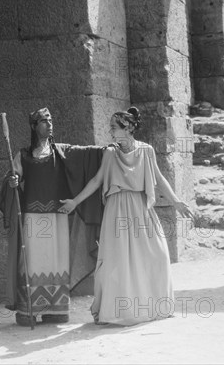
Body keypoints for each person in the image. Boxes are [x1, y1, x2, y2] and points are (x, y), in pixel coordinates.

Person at [59, 106, 195, 326]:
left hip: (141, 208)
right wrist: (75, 201)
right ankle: (118, 311)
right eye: (111, 127)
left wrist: (176, 201)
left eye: (114, 127)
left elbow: (159, 179)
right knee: (118, 260)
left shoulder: (147, 151)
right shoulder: (110, 153)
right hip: (117, 209)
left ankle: (155, 306)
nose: (110, 131)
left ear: (129, 128)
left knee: (157, 255)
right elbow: (96, 181)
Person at [0, 107, 105, 326]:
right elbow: (13, 175)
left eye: (51, 120)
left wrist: (109, 149)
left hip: (57, 218)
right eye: (44, 121)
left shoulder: (62, 152)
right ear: (34, 126)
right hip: (32, 218)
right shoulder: (24, 155)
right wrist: (13, 181)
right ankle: (28, 309)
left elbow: (88, 154)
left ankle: (55, 309)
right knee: (32, 261)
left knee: (57, 261)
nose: (49, 124)